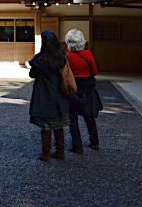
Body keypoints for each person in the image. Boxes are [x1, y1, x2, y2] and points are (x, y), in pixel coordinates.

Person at [28, 30, 75, 162]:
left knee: (46, 126)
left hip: (43, 94)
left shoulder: (39, 59)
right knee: (58, 125)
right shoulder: (61, 57)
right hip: (59, 93)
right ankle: (60, 152)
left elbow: (32, 74)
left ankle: (46, 153)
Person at [65, 29, 103, 153]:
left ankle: (77, 145)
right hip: (88, 88)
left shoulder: (68, 56)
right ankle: (95, 142)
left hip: (74, 88)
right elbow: (94, 72)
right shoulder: (88, 54)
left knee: (73, 117)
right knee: (89, 116)